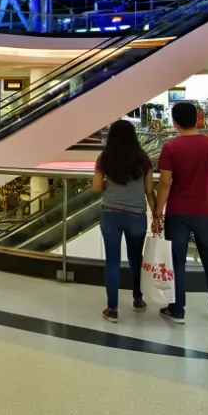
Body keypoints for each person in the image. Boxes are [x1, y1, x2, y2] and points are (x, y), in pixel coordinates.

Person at [154, 101, 208, 325]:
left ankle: (177, 310)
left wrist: (159, 211)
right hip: (206, 211)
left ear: (175, 122)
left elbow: (165, 184)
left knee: (176, 261)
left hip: (178, 212)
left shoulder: (171, 147)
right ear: (197, 119)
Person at [92, 120, 155, 323]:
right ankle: (138, 299)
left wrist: (111, 188)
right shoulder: (143, 160)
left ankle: (113, 308)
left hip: (110, 212)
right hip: (137, 215)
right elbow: (148, 190)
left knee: (112, 261)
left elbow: (96, 186)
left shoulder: (104, 158)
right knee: (136, 259)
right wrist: (157, 214)